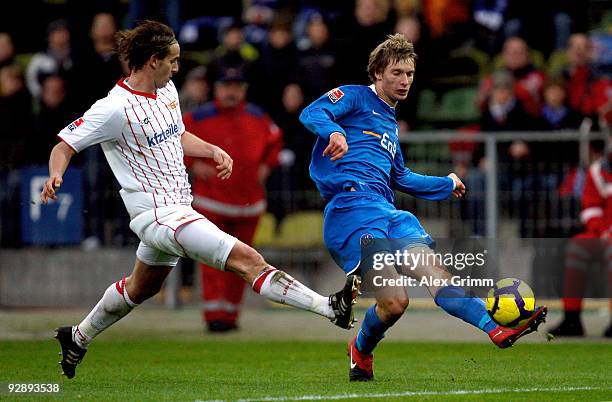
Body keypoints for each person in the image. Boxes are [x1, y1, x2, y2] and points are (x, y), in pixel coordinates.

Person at [40, 20, 360, 380]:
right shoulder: (114, 108)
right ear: (152, 60)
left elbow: (176, 135)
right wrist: (57, 173)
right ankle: (331, 308)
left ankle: (77, 337)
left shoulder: (168, 91)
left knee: (140, 288)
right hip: (159, 216)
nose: (177, 68)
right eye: (172, 61)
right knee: (247, 259)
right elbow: (64, 144)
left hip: (179, 208)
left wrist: (211, 150)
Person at [299, 33, 547, 382]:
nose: (405, 81)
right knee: (395, 302)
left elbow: (401, 176)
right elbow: (314, 111)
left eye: (410, 74)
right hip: (352, 213)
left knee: (439, 278)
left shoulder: (389, 125)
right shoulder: (354, 97)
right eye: (397, 73)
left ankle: (497, 327)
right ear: (378, 73)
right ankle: (361, 348)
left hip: (390, 214)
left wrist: (446, 183)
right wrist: (335, 133)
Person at [183, 66, 282, 332]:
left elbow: (275, 140)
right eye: (227, 86)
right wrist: (193, 164)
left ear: (244, 90)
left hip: (249, 204)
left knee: (244, 263)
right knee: (213, 261)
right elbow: (173, 141)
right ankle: (214, 315)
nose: (231, 92)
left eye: (237, 87)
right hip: (212, 201)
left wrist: (266, 165)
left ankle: (230, 315)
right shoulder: (198, 118)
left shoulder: (257, 116)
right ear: (216, 89)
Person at [549, 150, 612, 338]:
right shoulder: (598, 171)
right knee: (576, 247)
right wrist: (604, 232)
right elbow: (590, 208)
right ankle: (572, 319)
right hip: (602, 233)